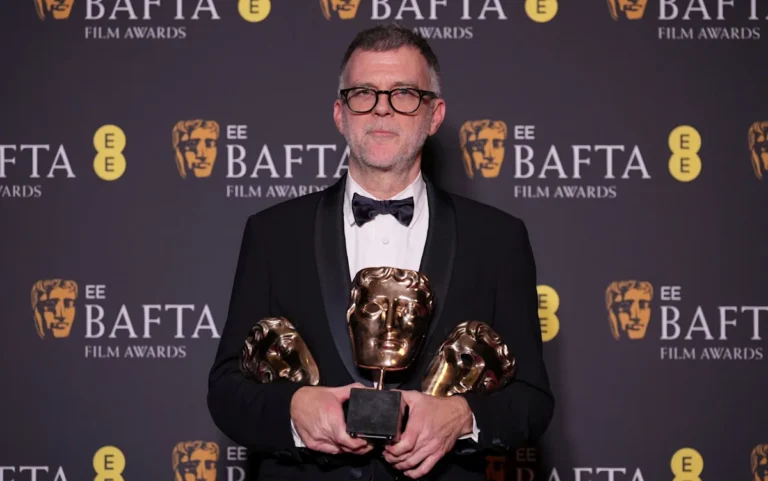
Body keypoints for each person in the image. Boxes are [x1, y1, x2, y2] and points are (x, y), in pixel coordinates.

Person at [207, 23, 554, 481]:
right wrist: (294, 408)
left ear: (435, 115)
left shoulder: (499, 239)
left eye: (405, 93)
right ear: (340, 113)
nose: (382, 110)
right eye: (364, 93)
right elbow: (227, 389)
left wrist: (462, 418)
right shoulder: (272, 233)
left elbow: (531, 399)